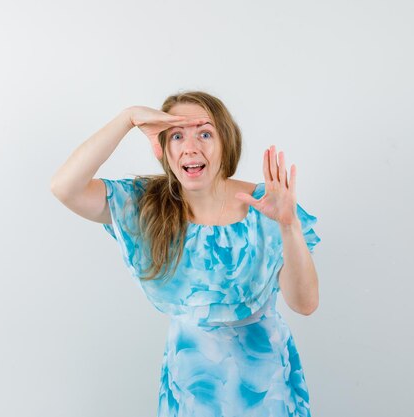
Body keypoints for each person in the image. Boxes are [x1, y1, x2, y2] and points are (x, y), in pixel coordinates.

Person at [50, 91, 321, 416]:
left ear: (226, 143)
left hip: (265, 387)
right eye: (177, 135)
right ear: (164, 149)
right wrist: (128, 118)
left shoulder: (267, 203)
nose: (191, 147)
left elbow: (305, 304)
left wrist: (288, 226)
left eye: (204, 133)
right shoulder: (146, 205)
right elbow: (65, 187)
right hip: (192, 387)